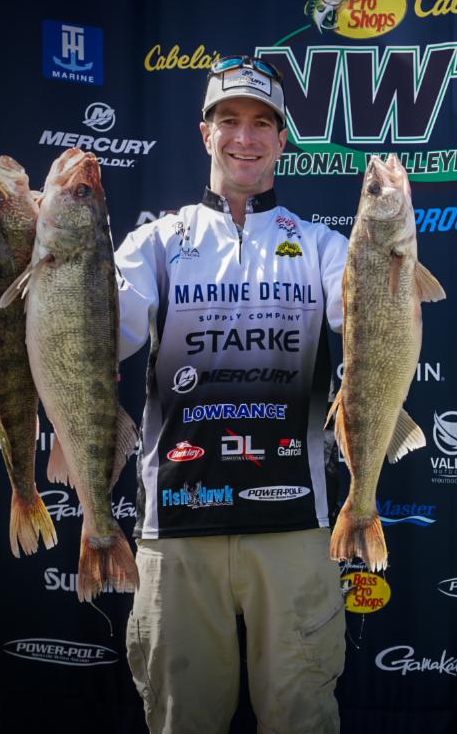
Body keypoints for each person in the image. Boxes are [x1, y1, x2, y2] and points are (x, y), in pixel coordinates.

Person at [116, 55, 349, 733]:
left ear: (282, 141)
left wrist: (391, 254)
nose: (244, 138)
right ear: (205, 133)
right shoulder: (156, 243)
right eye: (228, 121)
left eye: (261, 123)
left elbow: (377, 327)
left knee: (302, 718)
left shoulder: (323, 246)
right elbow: (101, 337)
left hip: (295, 524)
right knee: (181, 721)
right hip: (177, 526)